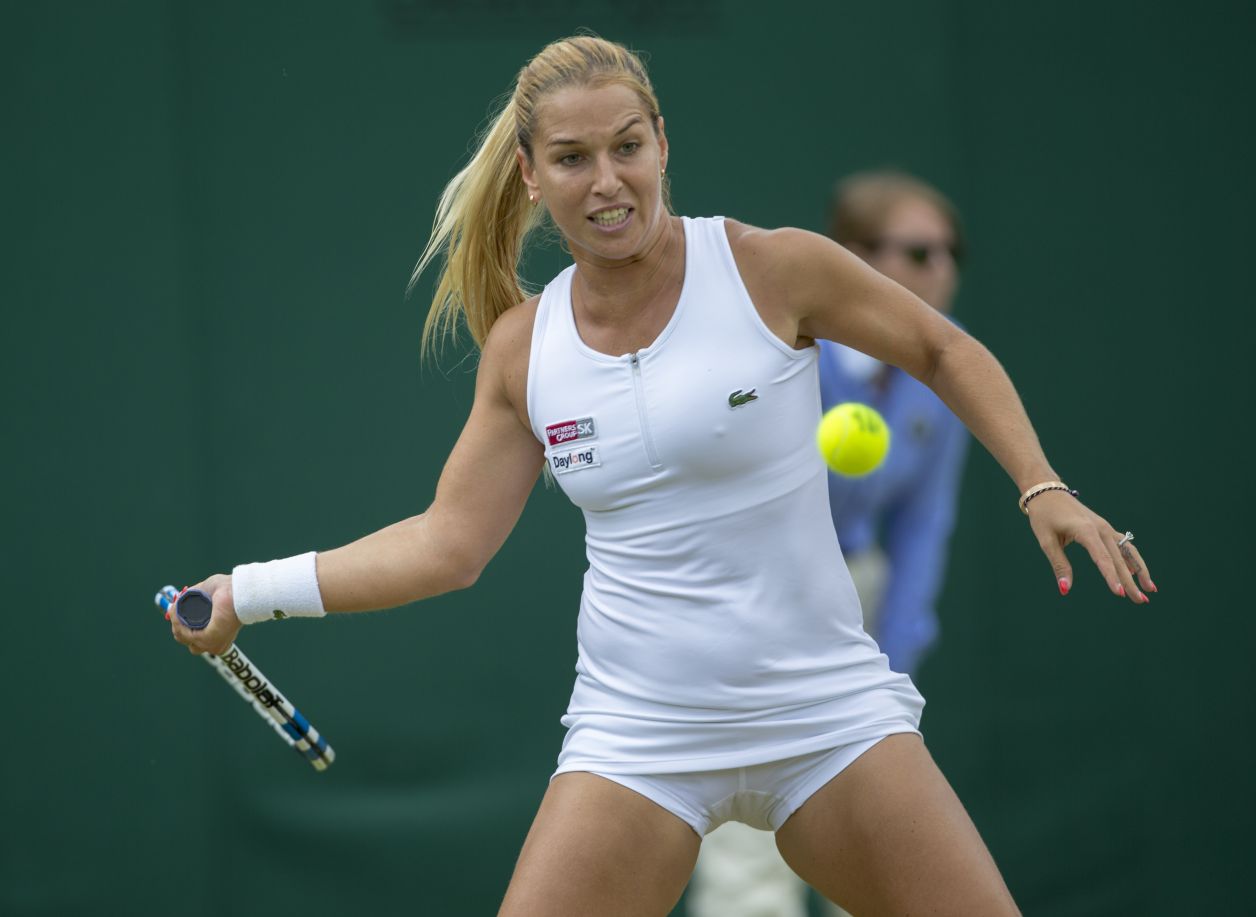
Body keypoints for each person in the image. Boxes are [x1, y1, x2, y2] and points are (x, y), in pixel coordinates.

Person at [170, 36, 1155, 917]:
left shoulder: (773, 269)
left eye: (625, 145)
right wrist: (246, 592)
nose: (606, 180)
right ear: (529, 174)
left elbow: (940, 350)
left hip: (822, 716)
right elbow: (446, 542)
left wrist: (1041, 484)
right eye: (570, 157)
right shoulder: (525, 349)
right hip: (637, 734)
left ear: (661, 143)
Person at [689, 171, 973, 917]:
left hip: (857, 601)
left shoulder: (945, 369)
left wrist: (896, 658)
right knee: (748, 834)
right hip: (751, 603)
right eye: (916, 252)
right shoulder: (777, 351)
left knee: (877, 835)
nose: (938, 271)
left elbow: (922, 527)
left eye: (950, 253)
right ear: (852, 255)